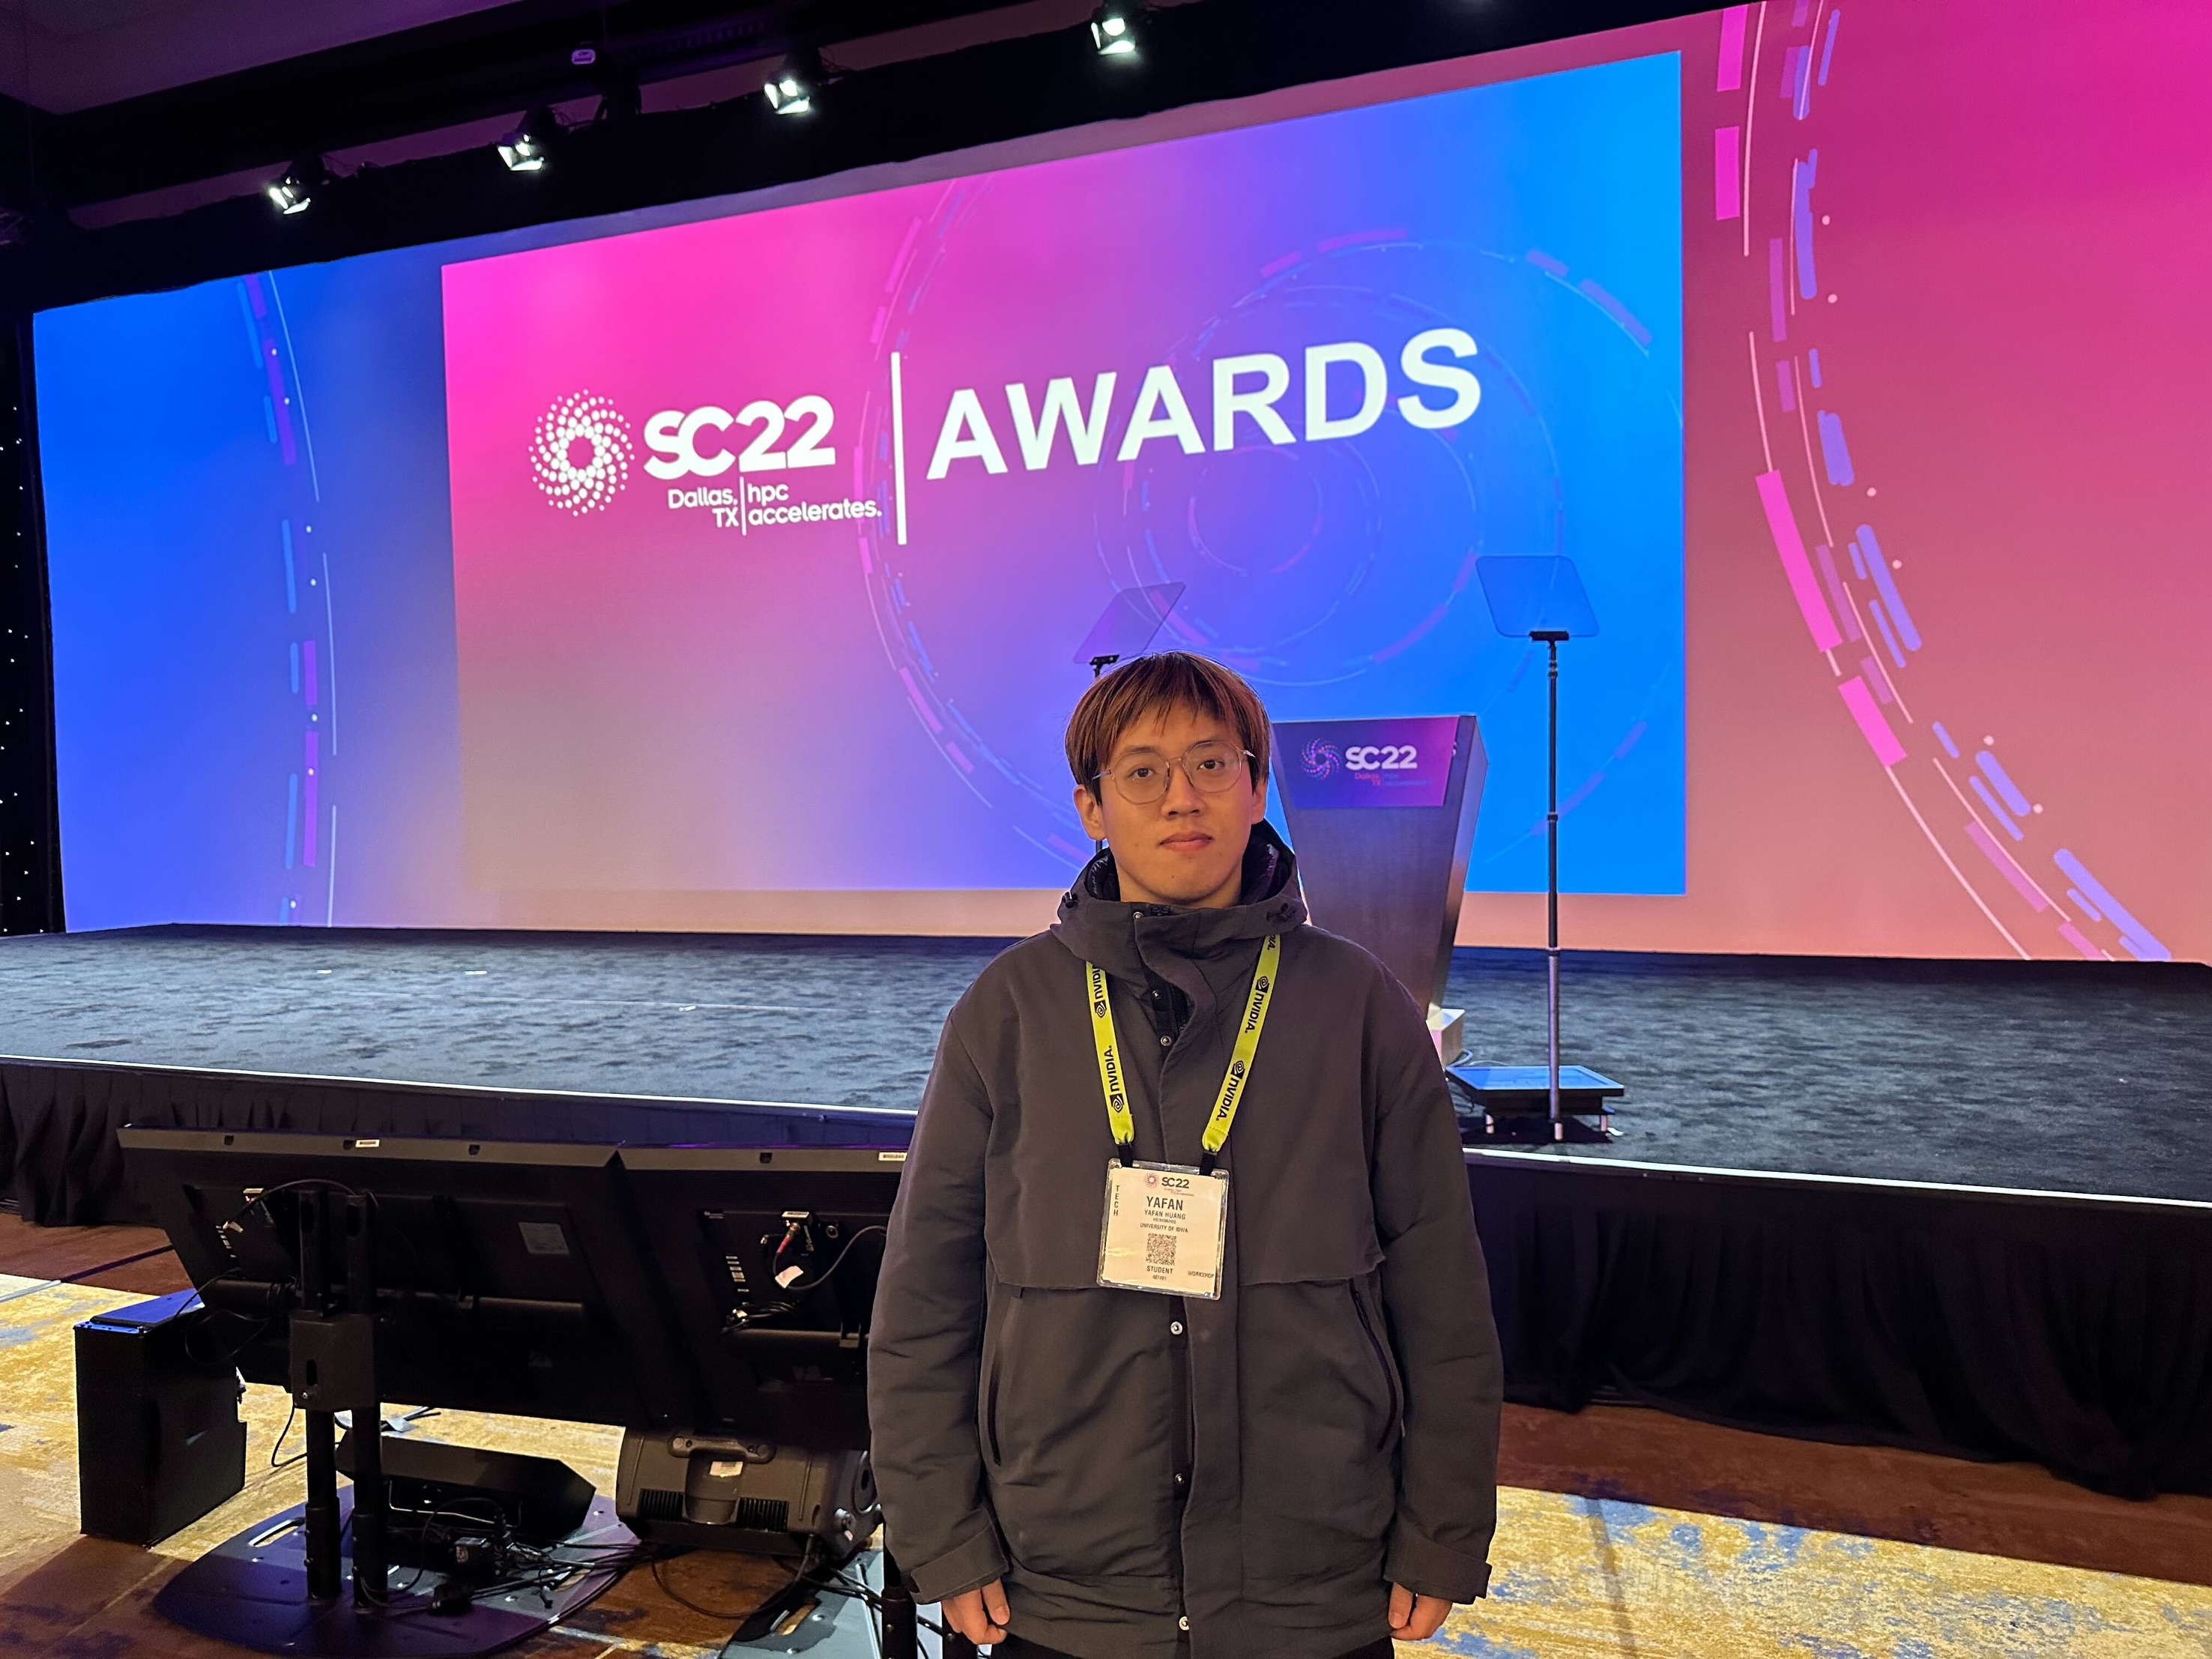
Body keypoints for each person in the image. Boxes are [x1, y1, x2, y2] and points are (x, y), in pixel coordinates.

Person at [868, 651, 1502, 1659]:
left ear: (1256, 788)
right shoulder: (1008, 1012)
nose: (1182, 797)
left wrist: (1444, 1530)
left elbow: (1443, 1296)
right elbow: (925, 1304)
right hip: (1065, 1587)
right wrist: (940, 1533)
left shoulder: (1359, 1007)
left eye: (1212, 763)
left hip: (1314, 1584)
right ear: (1092, 807)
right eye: (1143, 771)